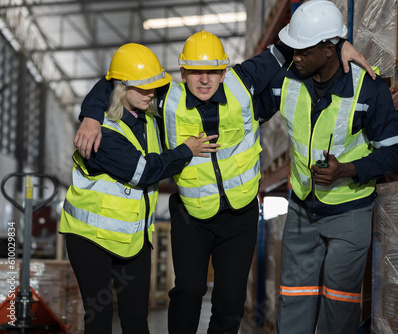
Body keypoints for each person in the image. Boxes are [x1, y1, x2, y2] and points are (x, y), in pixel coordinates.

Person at [73, 31, 373, 334]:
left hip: (240, 215)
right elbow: (118, 80)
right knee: (189, 292)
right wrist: (91, 115)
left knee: (230, 302)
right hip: (192, 216)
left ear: (225, 70)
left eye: (213, 71)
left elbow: (288, 49)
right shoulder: (165, 98)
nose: (205, 80)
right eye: (196, 72)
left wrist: (335, 45)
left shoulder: (243, 82)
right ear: (182, 73)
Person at [258, 1, 398, 333]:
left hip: (350, 210)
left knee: (338, 304)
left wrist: (346, 169)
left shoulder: (367, 89)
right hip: (301, 208)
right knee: (294, 299)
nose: (293, 56)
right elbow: (244, 106)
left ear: (329, 50)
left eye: (302, 50)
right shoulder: (284, 81)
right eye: (292, 49)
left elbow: (397, 154)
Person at [58, 43, 218, 334]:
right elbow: (143, 171)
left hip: (133, 239)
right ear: (121, 88)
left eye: (154, 88)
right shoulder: (101, 132)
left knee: (136, 321)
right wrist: (187, 150)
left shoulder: (150, 121)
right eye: (143, 89)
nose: (151, 94)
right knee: (99, 318)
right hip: (90, 238)